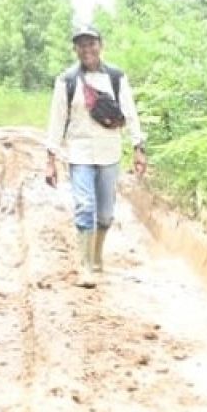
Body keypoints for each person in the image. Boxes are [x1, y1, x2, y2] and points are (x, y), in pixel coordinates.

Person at [44, 25, 146, 288]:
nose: (87, 49)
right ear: (75, 49)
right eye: (81, 45)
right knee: (85, 206)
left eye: (91, 44)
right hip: (79, 154)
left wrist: (138, 146)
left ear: (100, 45)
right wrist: (51, 159)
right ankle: (84, 264)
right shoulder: (66, 81)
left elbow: (130, 113)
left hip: (109, 152)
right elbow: (57, 121)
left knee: (105, 214)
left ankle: (97, 257)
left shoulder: (115, 77)